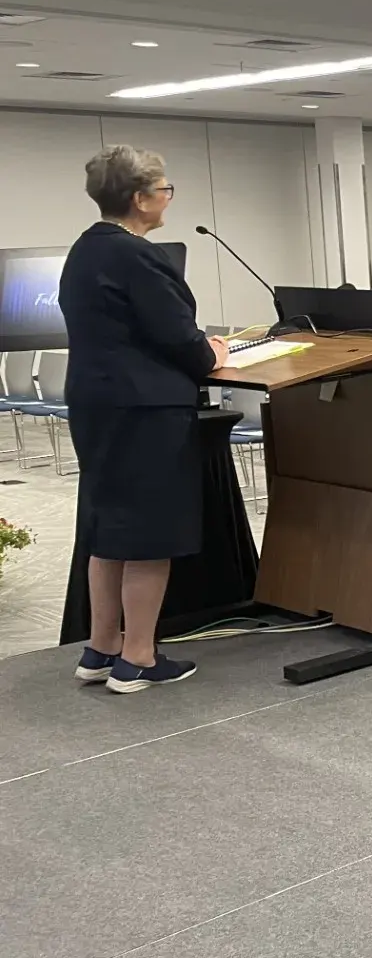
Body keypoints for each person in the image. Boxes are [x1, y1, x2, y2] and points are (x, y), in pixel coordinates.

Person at [62, 146, 230, 692]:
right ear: (139, 198)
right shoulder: (139, 256)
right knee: (150, 532)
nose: (167, 199)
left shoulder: (84, 249)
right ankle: (137, 657)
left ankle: (101, 647)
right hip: (146, 409)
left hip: (96, 403)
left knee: (108, 527)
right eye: (164, 190)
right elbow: (177, 335)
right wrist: (211, 353)